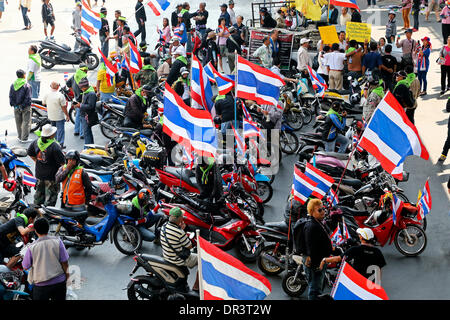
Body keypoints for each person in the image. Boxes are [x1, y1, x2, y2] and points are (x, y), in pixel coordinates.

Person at [22, 217, 70, 301]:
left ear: (36, 231)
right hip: (59, 282)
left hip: (41, 286)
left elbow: (25, 266)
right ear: (48, 229)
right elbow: (64, 262)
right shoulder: (58, 241)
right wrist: (67, 276)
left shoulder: (32, 247)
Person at [321, 228, 386, 281]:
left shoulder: (355, 249)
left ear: (361, 237)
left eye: (359, 234)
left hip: (357, 281)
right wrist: (377, 285)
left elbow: (338, 259)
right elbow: (379, 270)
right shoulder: (377, 252)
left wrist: (324, 260)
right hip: (370, 284)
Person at [160, 207, 199, 291]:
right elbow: (189, 246)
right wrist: (183, 230)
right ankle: (196, 286)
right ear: (179, 218)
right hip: (178, 260)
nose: (183, 217)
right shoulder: (179, 232)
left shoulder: (164, 226)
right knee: (202, 260)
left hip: (167, 256)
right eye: (182, 216)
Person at [27, 124, 65, 206]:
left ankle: (36, 215)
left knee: (38, 198)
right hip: (51, 177)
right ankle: (46, 217)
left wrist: (37, 161)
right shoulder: (55, 146)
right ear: (51, 135)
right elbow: (62, 163)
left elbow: (30, 153)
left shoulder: (36, 142)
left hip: (39, 175)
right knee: (50, 201)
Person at [303, 199, 333, 300]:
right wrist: (317, 265)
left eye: (323, 209)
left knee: (317, 288)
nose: (323, 212)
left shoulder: (319, 222)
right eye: (319, 210)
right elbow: (311, 247)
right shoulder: (311, 226)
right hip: (315, 263)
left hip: (321, 261)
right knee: (314, 290)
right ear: (312, 212)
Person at [42, 82, 70, 148]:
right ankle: (60, 144)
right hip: (59, 116)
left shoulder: (47, 95)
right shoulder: (60, 95)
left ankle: (54, 144)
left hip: (51, 116)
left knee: (53, 131)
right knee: (60, 131)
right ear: (58, 87)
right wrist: (67, 115)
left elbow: (43, 103)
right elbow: (64, 107)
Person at [73, 78, 98, 146]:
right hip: (84, 115)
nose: (81, 89)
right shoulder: (86, 92)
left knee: (87, 134)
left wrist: (80, 105)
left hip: (87, 116)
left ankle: (88, 148)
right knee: (87, 133)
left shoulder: (91, 94)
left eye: (81, 88)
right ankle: (90, 146)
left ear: (84, 87)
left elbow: (91, 106)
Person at [9, 69, 32, 143]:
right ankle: (24, 138)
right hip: (25, 107)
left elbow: (11, 96)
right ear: (24, 75)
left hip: (16, 107)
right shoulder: (27, 85)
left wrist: (15, 105)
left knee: (18, 122)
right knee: (26, 122)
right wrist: (23, 105)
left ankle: (19, 136)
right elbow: (28, 98)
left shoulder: (13, 85)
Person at [66, 64, 87, 138]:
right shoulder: (83, 77)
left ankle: (76, 131)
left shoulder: (74, 75)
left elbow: (68, 84)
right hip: (81, 99)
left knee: (78, 115)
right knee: (82, 116)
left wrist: (74, 92)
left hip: (76, 98)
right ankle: (82, 134)